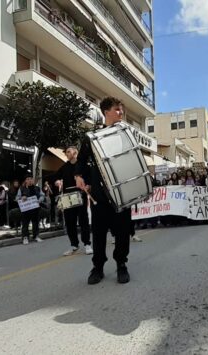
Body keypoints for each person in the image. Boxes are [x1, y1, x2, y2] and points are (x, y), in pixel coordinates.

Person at [74, 97, 135, 285]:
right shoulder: (91, 137)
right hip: (100, 195)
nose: (121, 112)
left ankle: (121, 265)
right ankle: (98, 267)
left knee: (123, 233)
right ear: (106, 111)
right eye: (117, 109)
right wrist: (79, 176)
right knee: (99, 234)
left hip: (122, 193)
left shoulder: (125, 133)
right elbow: (81, 161)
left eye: (121, 109)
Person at [50, 146, 93, 256]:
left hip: (80, 195)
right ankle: (74, 245)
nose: (67, 153)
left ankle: (87, 244)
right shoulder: (64, 167)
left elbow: (90, 179)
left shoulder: (83, 166)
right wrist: (57, 181)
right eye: (66, 152)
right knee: (70, 222)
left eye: (69, 151)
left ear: (76, 152)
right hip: (67, 197)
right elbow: (55, 177)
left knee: (83, 220)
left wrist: (87, 186)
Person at [17, 176, 45, 244]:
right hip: (26, 210)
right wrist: (21, 198)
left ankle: (36, 236)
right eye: (28, 179)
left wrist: (39, 200)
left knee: (35, 223)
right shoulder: (21, 188)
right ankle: (25, 237)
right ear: (25, 181)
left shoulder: (37, 188)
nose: (30, 180)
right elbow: (17, 197)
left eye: (31, 179)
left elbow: (42, 195)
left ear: (33, 180)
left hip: (35, 209)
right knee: (25, 223)